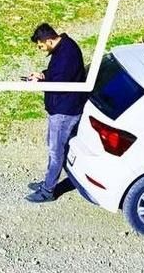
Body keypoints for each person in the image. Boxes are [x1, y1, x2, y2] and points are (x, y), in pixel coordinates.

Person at [25, 22, 86, 203]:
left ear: (48, 40)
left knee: (55, 150)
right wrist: (43, 75)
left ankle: (48, 190)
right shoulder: (64, 48)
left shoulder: (66, 54)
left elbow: (60, 84)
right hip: (61, 108)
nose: (40, 49)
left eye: (41, 45)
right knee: (54, 146)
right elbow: (58, 74)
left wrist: (40, 83)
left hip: (64, 110)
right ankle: (48, 182)